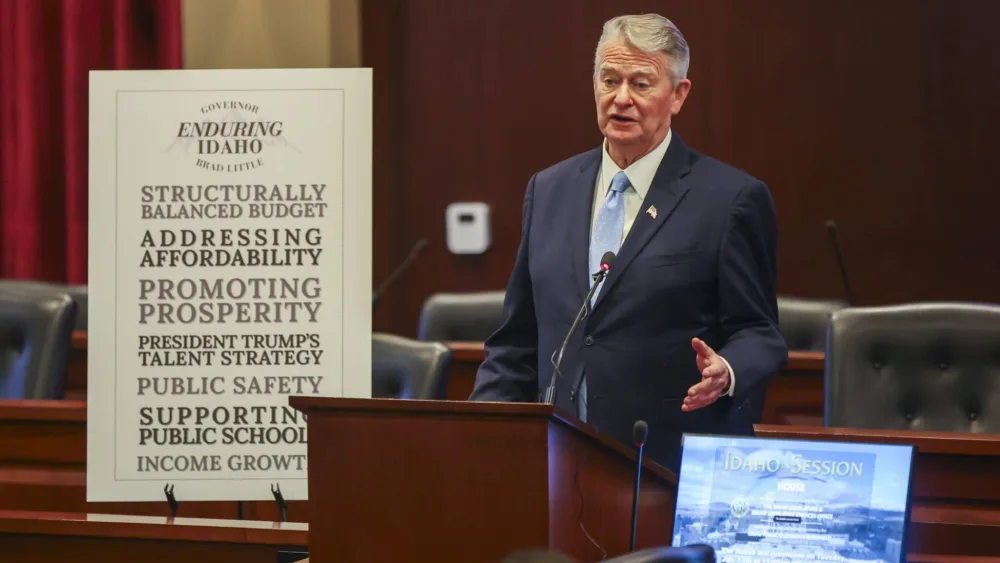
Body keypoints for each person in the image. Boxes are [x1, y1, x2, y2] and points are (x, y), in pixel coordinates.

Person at [469, 13, 788, 472]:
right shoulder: (549, 189)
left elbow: (761, 334)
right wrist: (477, 426)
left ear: (678, 95)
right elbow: (517, 341)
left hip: (663, 464)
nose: (621, 98)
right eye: (609, 80)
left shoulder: (730, 200)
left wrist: (728, 370)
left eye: (640, 83)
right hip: (553, 464)